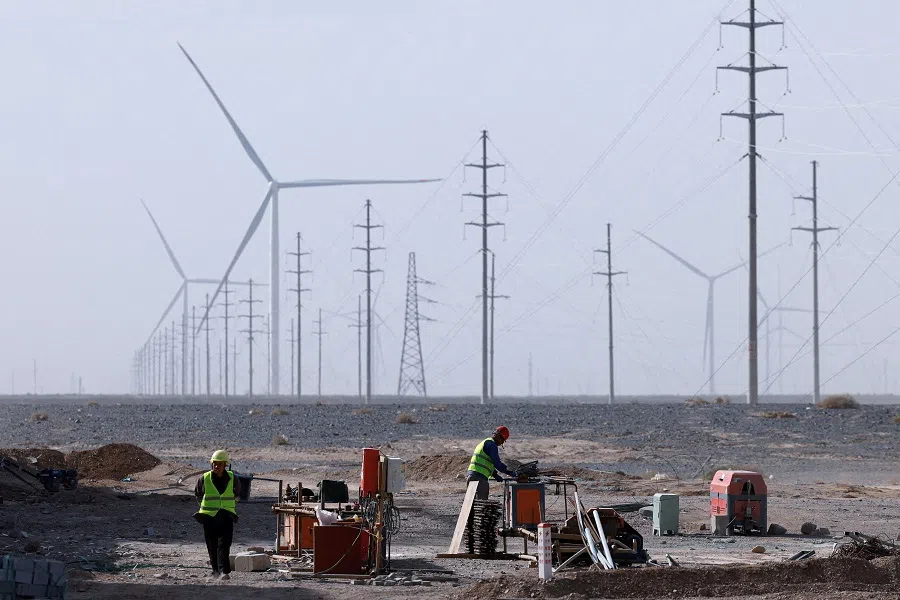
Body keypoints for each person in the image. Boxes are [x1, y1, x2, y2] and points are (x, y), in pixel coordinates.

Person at [194, 449, 241, 580]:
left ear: (225, 465)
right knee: (212, 545)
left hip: (226, 516)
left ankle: (224, 571)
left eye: (219, 464)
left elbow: (237, 495)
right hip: (209, 517)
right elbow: (198, 494)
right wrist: (204, 509)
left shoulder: (233, 478)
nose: (216, 466)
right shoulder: (204, 478)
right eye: (214, 463)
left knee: (225, 544)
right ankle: (215, 571)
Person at [466, 426, 515, 500]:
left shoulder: (484, 442)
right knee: (482, 504)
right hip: (480, 479)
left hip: (471, 476)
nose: (501, 443)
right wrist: (510, 472)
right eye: (503, 440)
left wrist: (495, 474)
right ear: (498, 436)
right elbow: (497, 463)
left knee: (471, 504)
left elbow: (485, 463)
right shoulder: (492, 445)